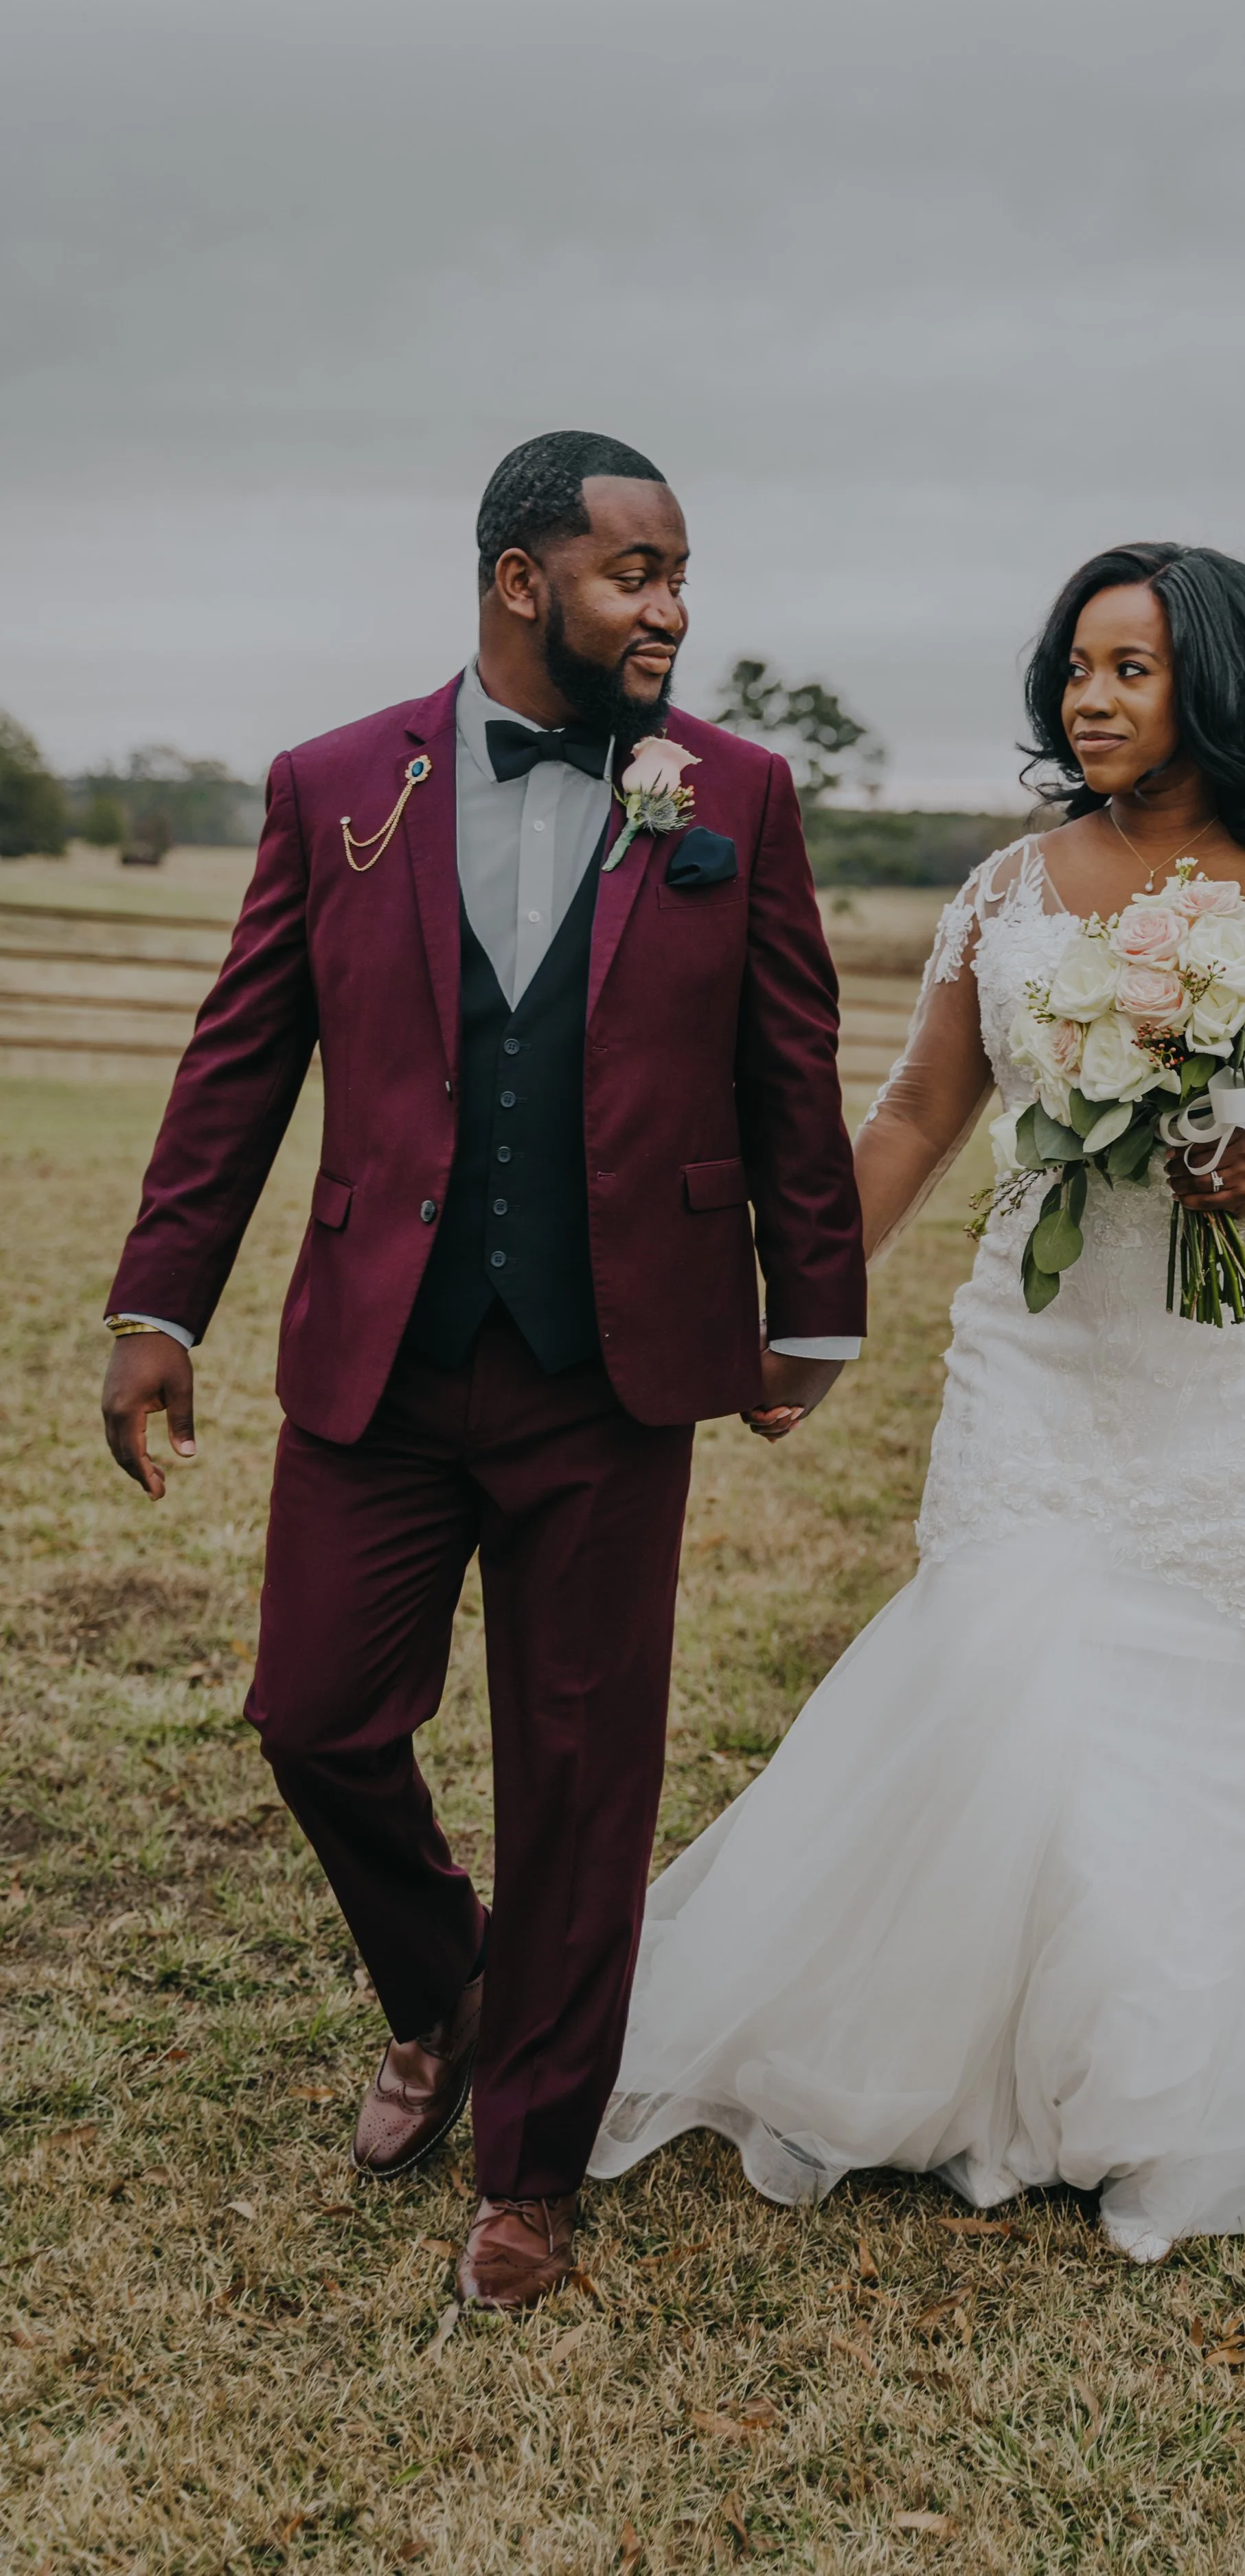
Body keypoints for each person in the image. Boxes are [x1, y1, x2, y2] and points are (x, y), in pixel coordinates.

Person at [589, 542, 1245, 2260]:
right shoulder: (1007, 890)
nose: (1087, 701)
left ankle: (1160, 2082)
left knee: (1193, 1697)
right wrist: (787, 1317)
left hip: (1239, 1358)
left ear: (1217, 684)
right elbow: (906, 1124)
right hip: (1032, 1350)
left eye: (1129, 670)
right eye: (1074, 669)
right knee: (1004, 1660)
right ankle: (965, 2047)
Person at [100, 431, 866, 2310]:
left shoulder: (735, 796)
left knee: (582, 1767)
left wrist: (812, 1301)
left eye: (682, 574)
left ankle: (528, 2163)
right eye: (636, 572)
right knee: (314, 1713)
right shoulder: (336, 783)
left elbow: (790, 1052)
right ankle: (446, 1978)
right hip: (382, 1346)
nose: (671, 608)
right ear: (521, 579)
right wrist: (159, 1306)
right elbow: (240, 1058)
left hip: (618, 1364)